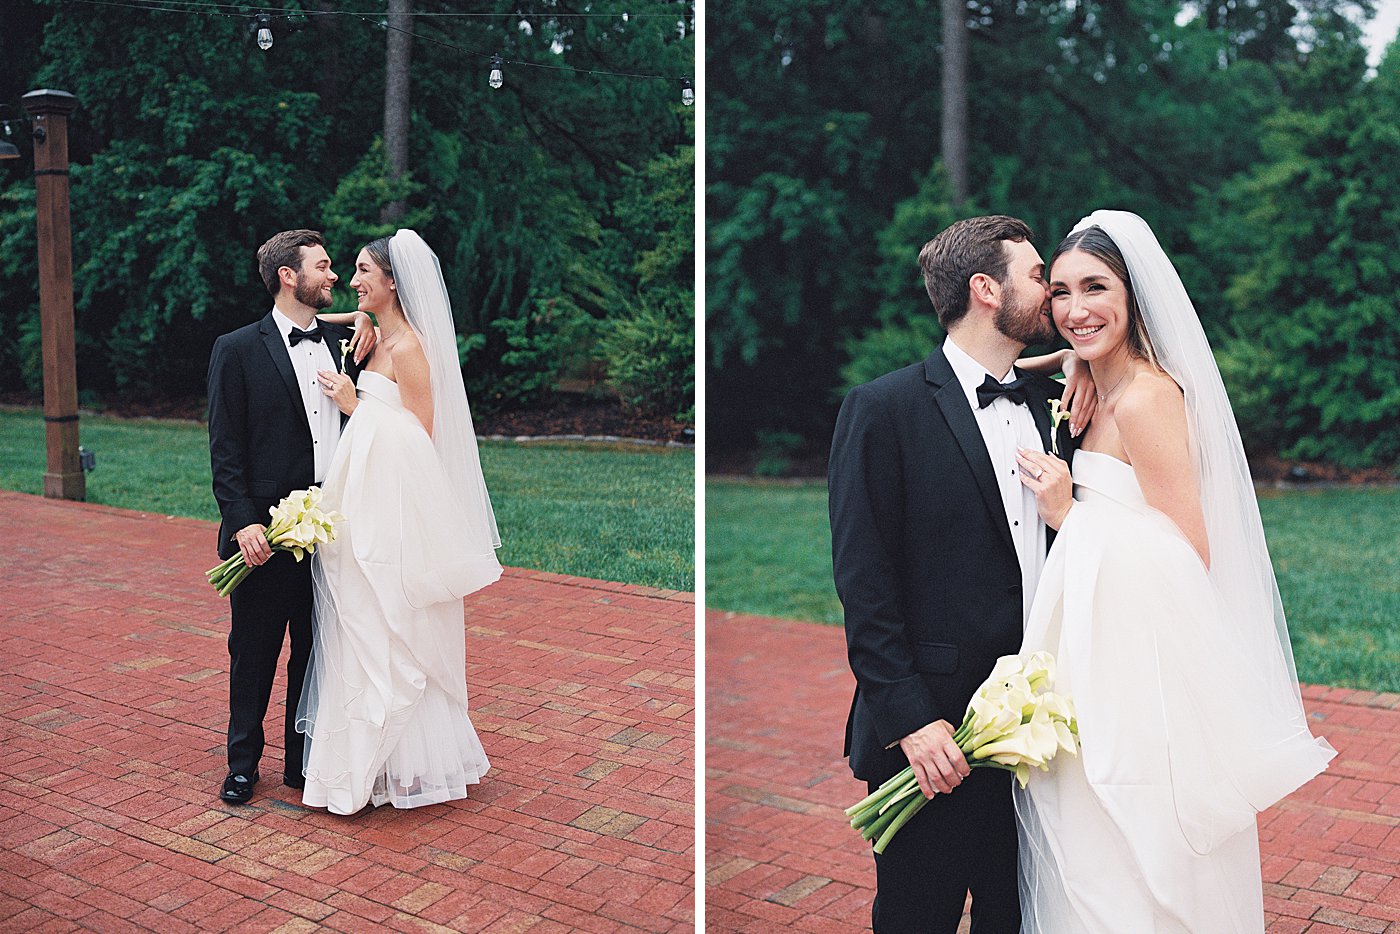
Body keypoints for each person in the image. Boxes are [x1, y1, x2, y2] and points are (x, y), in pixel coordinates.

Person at [1011, 210, 1335, 931]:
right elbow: (1063, 355)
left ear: (1134, 295)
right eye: (1059, 293)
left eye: (1095, 288)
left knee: (1127, 859)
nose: (1075, 309)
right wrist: (1074, 359)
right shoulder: (1092, 383)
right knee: (1085, 848)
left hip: (1139, 673)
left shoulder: (1150, 398)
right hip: (1089, 651)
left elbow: (1189, 553)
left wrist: (1072, 513)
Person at [829, 215, 1092, 932]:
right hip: (937, 737)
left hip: (1040, 736)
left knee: (1021, 919)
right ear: (986, 288)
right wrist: (912, 722)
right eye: (1040, 276)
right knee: (919, 915)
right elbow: (864, 584)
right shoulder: (883, 410)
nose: (1054, 292)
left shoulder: (1057, 409)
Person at [296, 228, 503, 815]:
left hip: (393, 509)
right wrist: (356, 318)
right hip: (362, 501)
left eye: (363, 271)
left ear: (393, 281)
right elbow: (338, 313)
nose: (352, 280)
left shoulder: (409, 349)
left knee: (389, 628)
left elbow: (421, 437)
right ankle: (368, 764)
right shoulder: (376, 331)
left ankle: (411, 766)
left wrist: (352, 403)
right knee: (358, 624)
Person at [207, 229, 375, 805]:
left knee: (317, 650)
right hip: (266, 533)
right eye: (324, 267)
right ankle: (242, 765)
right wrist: (244, 521)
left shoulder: (345, 344)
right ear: (288, 274)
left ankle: (304, 763)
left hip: (332, 531)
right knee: (253, 651)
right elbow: (224, 449)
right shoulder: (236, 349)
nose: (334, 277)